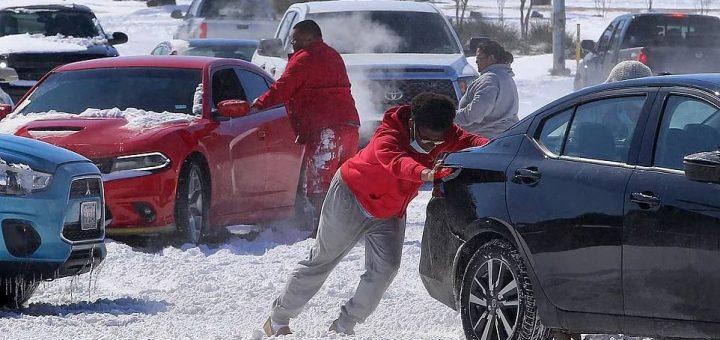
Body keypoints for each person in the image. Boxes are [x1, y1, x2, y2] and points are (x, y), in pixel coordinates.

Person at [261, 92, 488, 337]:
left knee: (386, 269)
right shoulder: (388, 133)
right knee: (323, 260)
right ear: (413, 123)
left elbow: (473, 141)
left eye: (437, 140)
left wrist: (503, 147)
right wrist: (424, 173)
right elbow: (395, 160)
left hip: (389, 211)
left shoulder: (446, 134)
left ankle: (344, 325)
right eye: (426, 138)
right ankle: (278, 319)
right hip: (350, 197)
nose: (431, 145)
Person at [250, 20, 360, 237]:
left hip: (327, 128)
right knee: (343, 180)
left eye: (296, 38)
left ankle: (323, 229)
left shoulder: (305, 58)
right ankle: (347, 226)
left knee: (319, 180)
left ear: (310, 38)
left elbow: (284, 87)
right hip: (350, 127)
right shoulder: (333, 55)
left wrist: (259, 104)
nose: (292, 43)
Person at [455, 39, 519, 139]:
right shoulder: (505, 76)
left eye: (479, 58)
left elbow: (474, 114)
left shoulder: (490, 80)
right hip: (503, 139)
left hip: (485, 143)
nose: (476, 61)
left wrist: (448, 117)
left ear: (491, 58)